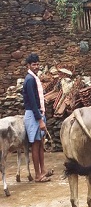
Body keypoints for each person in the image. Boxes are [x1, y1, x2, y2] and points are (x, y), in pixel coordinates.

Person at [23, 53, 52, 182]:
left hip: (39, 113)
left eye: (37, 64)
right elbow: (33, 102)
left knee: (40, 143)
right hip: (33, 115)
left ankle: (43, 170)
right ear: (28, 66)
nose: (36, 66)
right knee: (35, 144)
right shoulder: (29, 80)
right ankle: (37, 175)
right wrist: (40, 120)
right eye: (34, 64)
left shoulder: (34, 78)